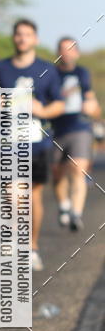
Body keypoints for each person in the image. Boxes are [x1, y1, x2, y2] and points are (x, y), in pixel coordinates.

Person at [0, 19, 64, 272]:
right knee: (11, 193)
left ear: (35, 39)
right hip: (9, 141)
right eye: (19, 34)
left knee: (33, 195)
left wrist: (43, 110)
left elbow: (59, 103)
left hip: (37, 142)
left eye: (27, 34)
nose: (22, 38)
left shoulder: (47, 69)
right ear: (13, 38)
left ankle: (32, 247)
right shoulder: (1, 68)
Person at [51, 37, 100, 231]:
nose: (67, 53)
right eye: (63, 49)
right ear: (58, 53)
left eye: (70, 49)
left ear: (77, 53)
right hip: (56, 129)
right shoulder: (50, 74)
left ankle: (76, 214)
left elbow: (91, 100)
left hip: (80, 128)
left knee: (78, 169)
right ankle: (64, 206)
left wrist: (93, 108)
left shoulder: (82, 73)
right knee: (57, 173)